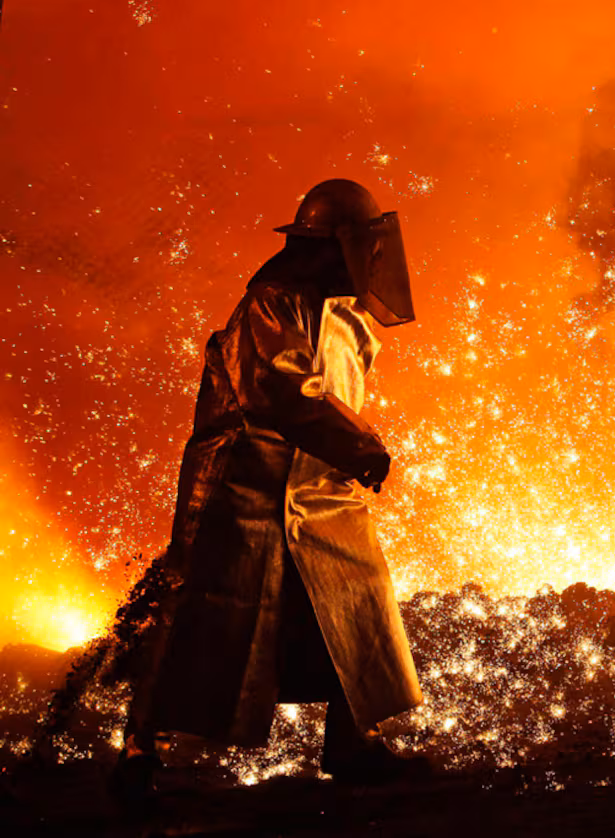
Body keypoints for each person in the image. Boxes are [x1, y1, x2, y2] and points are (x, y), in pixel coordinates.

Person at [115, 179, 425, 796]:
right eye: (358, 247)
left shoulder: (350, 319)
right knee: (205, 616)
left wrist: (348, 457)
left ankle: (350, 742)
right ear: (331, 247)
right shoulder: (272, 303)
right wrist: (360, 447)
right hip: (245, 484)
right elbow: (283, 390)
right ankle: (138, 753)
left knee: (354, 599)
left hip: (320, 486)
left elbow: (336, 396)